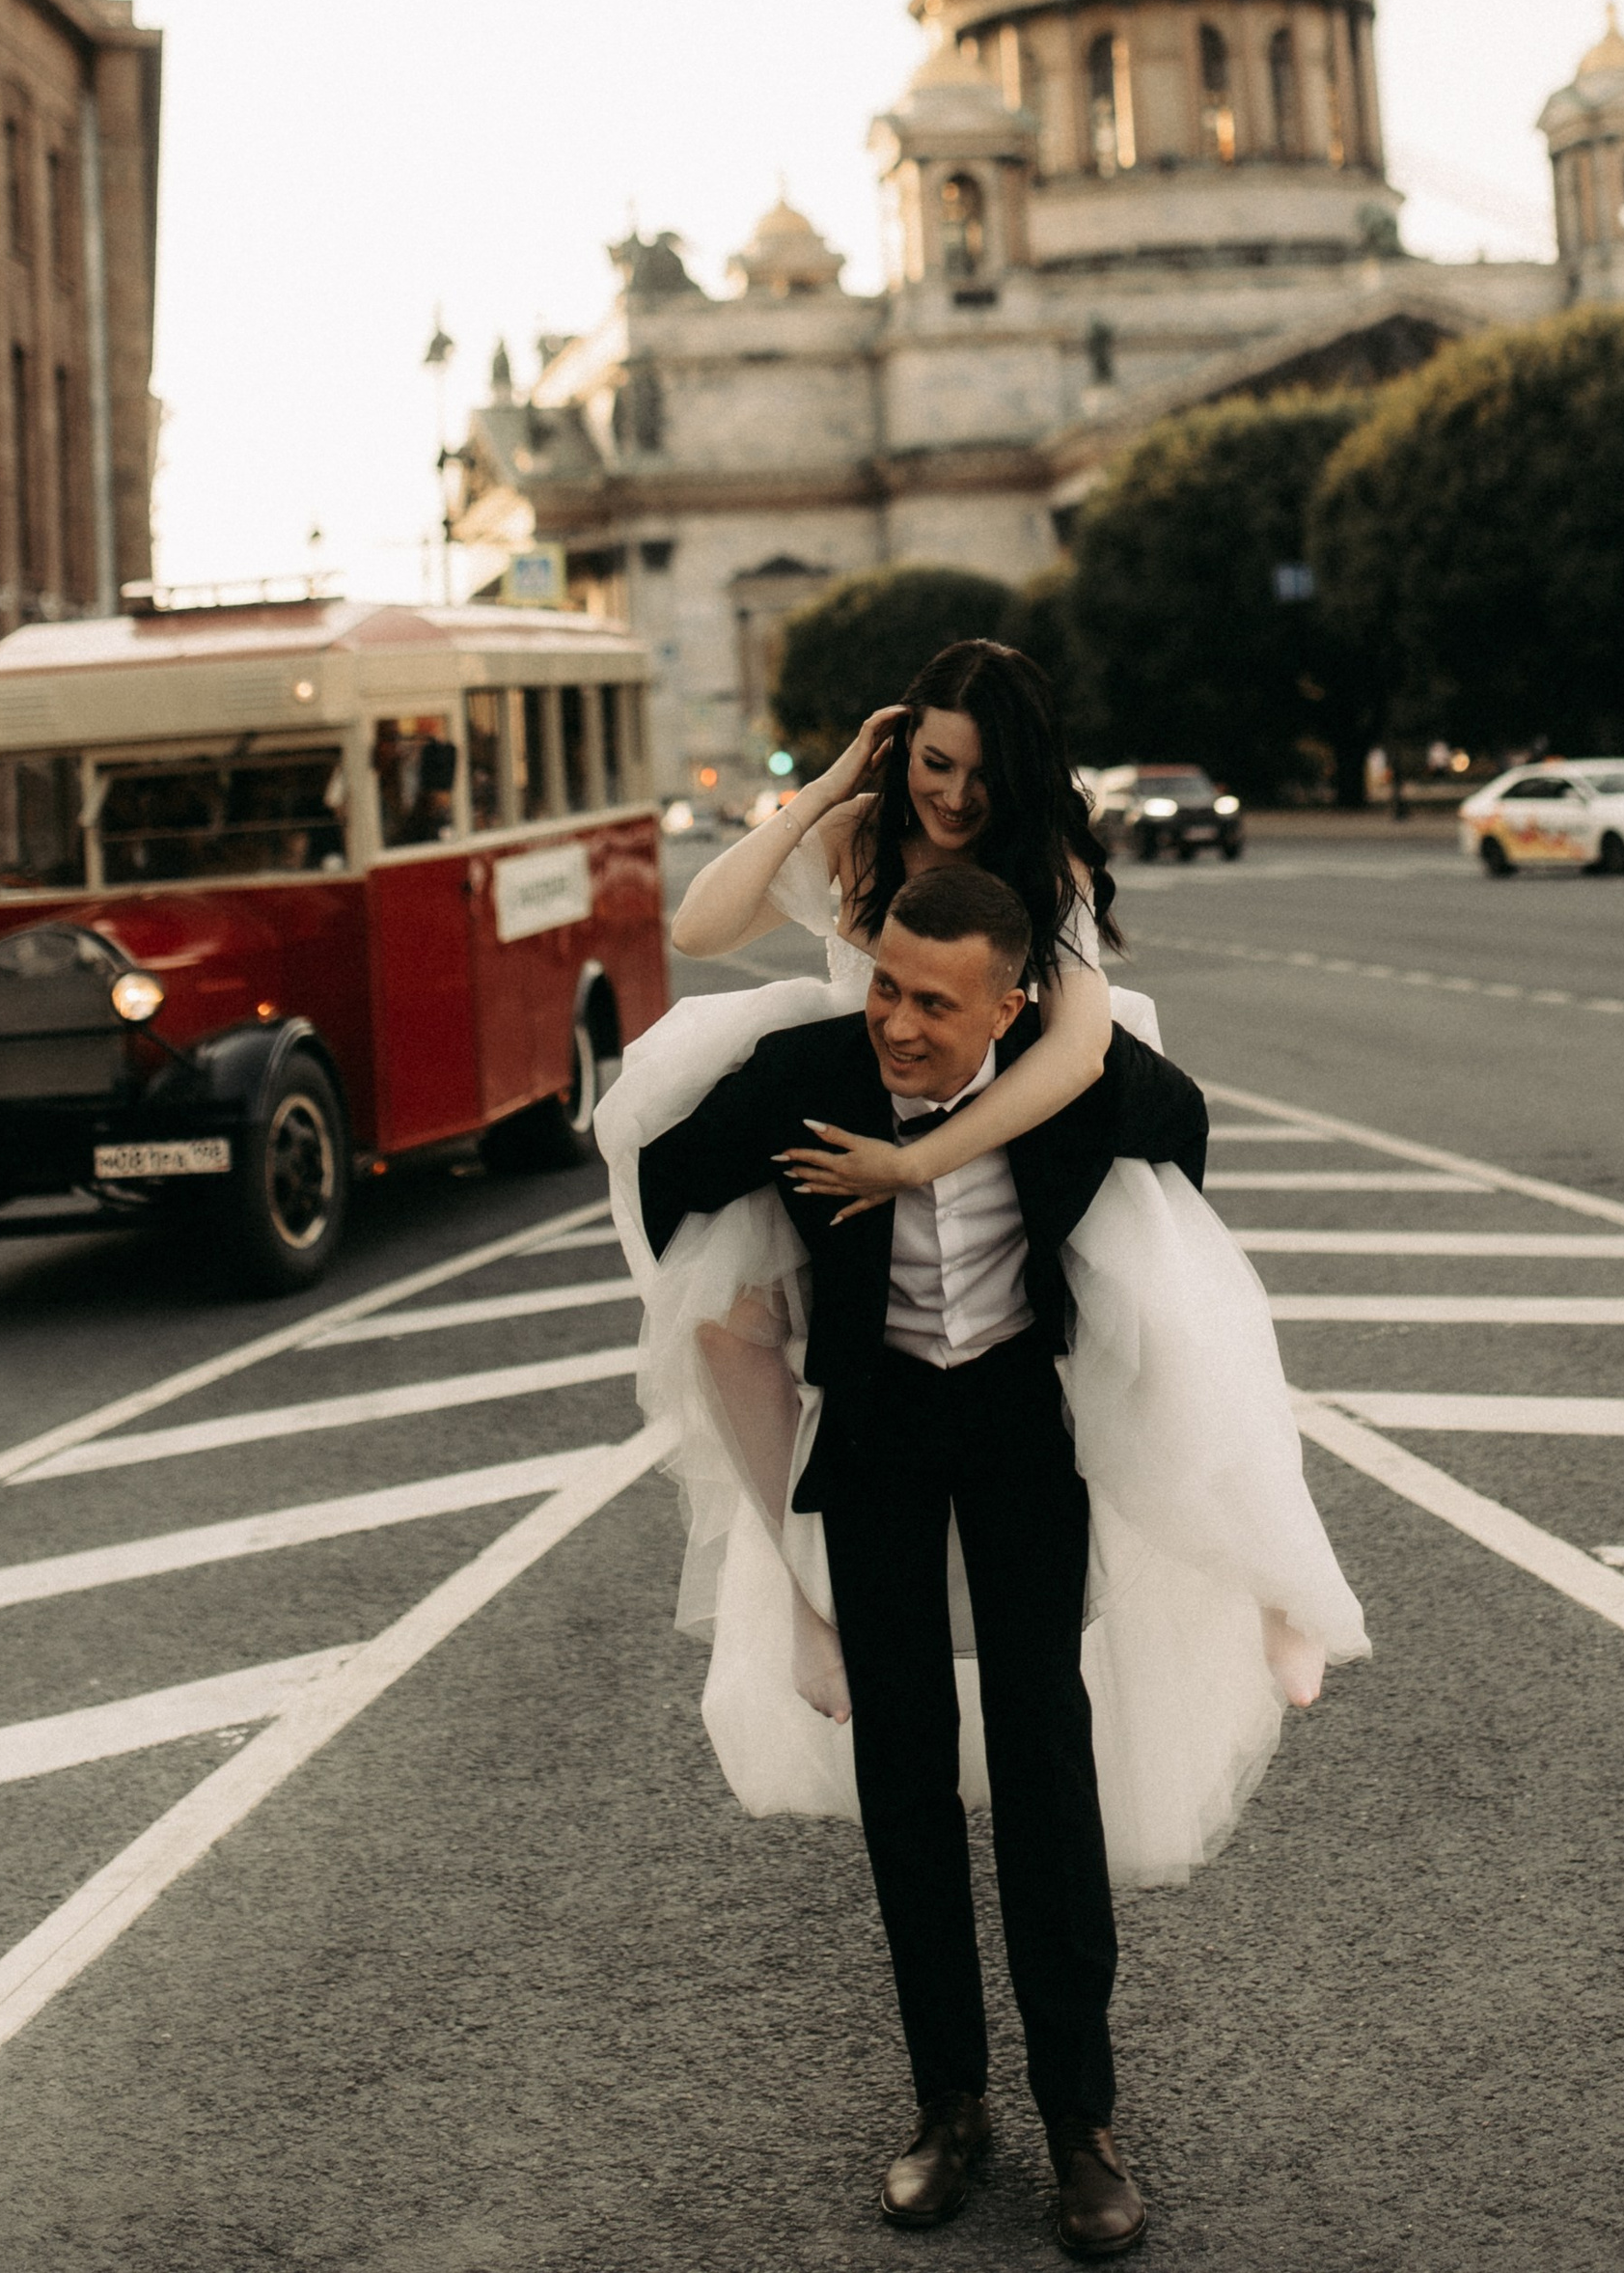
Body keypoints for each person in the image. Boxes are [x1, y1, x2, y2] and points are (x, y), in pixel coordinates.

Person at [601, 642, 1366, 2253]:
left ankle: (1082, 2120)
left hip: (1020, 1421)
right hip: (874, 1429)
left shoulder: (1063, 999)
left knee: (1039, 1755)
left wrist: (945, 1148)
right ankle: (948, 2104)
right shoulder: (811, 1060)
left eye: (967, 769)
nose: (947, 791)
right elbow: (674, 1173)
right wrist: (771, 1285)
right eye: (925, 766)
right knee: (900, 1779)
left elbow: (1163, 1122)